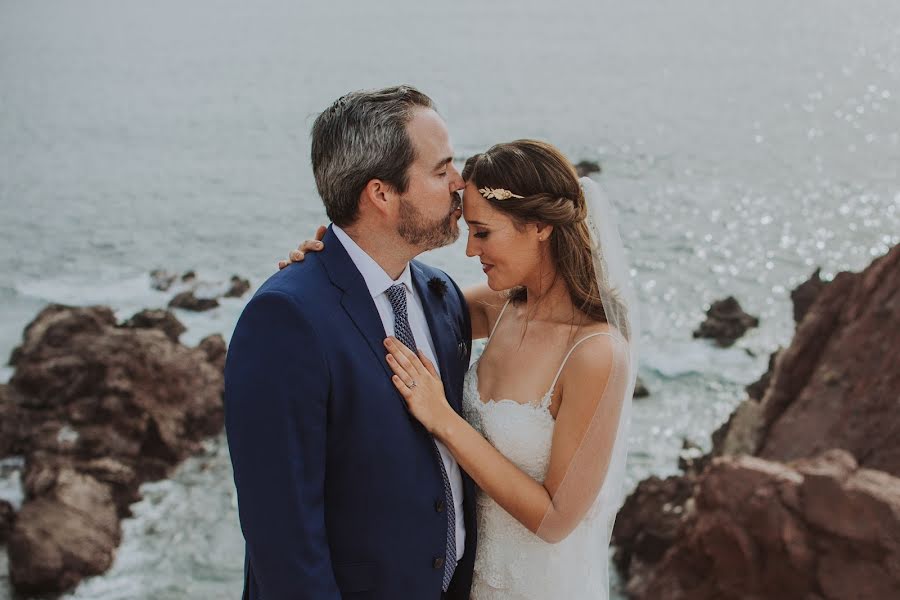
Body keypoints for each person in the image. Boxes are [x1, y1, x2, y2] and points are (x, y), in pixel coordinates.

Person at [285, 139, 640, 599]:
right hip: (462, 581)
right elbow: (382, 307)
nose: (471, 250)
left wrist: (445, 420)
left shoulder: (597, 353)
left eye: (483, 232)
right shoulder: (499, 308)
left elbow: (555, 520)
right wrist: (327, 266)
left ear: (538, 227)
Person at [225, 85, 478, 600]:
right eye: (440, 169)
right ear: (381, 194)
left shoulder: (442, 294)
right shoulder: (285, 319)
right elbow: (284, 540)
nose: (460, 183)